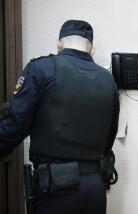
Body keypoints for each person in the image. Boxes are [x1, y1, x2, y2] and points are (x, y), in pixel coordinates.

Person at [0, 19, 119, 214]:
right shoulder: (108, 80)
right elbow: (109, 136)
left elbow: (15, 125)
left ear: (59, 43)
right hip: (95, 187)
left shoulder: (41, 69)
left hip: (56, 188)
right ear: (92, 50)